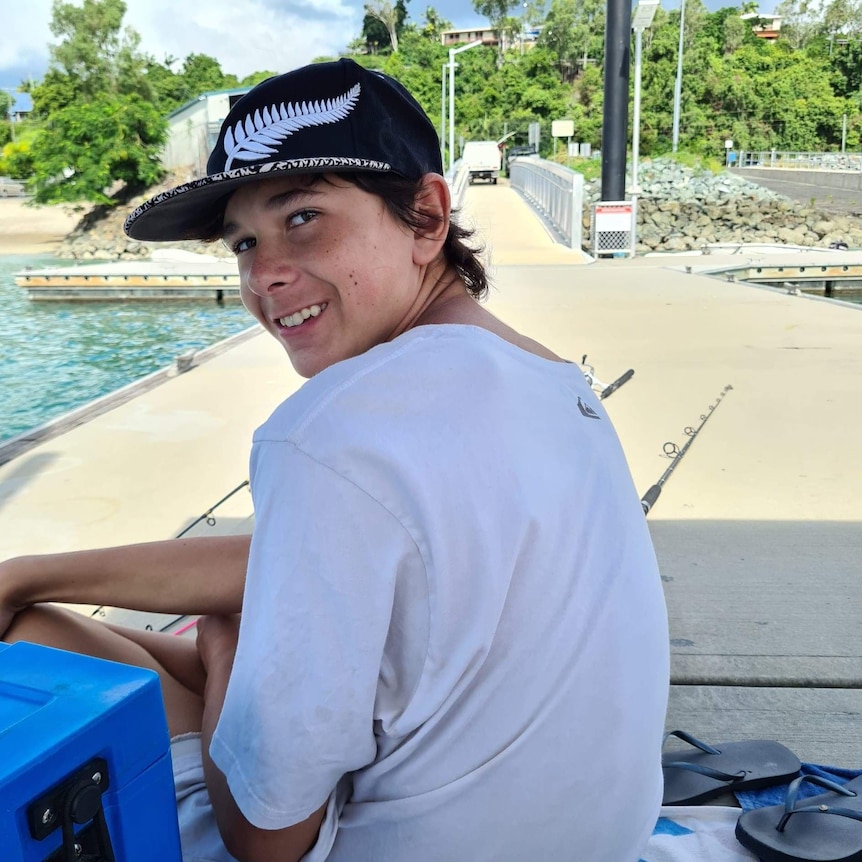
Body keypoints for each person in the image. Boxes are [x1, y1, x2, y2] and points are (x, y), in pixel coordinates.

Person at [0, 59, 669, 862]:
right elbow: (311, 556)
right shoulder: (556, 386)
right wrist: (30, 570)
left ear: (425, 217)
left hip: (373, 846)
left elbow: (265, 837)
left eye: (305, 217)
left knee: (34, 643)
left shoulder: (331, 431)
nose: (265, 272)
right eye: (244, 240)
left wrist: (222, 645)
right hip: (589, 841)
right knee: (53, 610)